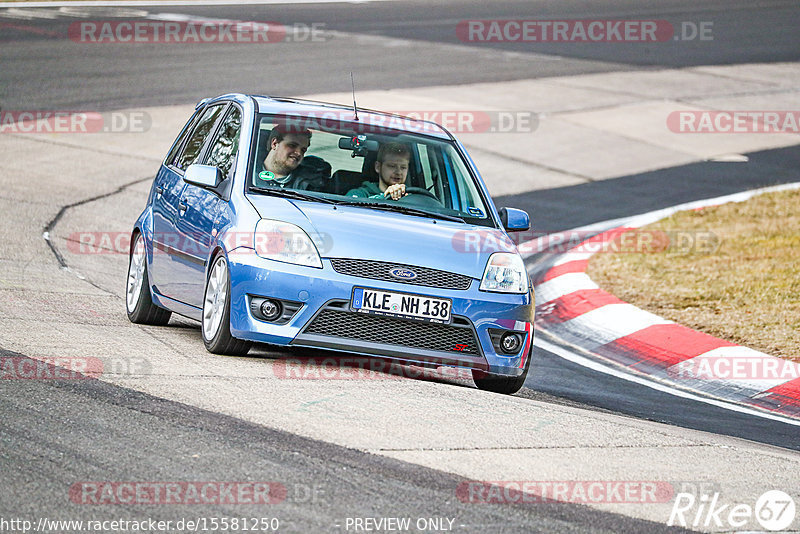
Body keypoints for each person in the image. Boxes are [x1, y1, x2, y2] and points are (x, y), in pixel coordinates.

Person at [254, 125, 329, 190]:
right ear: (274, 144)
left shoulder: (309, 186)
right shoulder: (246, 171)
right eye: (292, 145)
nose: (299, 153)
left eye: (303, 150)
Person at [346, 142, 410, 201]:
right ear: (378, 167)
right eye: (392, 166)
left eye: (403, 167)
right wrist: (387, 196)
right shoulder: (359, 194)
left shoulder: (412, 196)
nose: (398, 172)